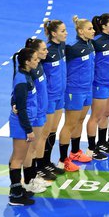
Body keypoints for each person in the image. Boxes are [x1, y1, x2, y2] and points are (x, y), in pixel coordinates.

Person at [57, 16, 95, 172]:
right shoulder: (72, 48)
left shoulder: (90, 45)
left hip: (87, 89)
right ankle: (62, 160)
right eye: (90, 29)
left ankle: (75, 152)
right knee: (69, 125)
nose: (93, 31)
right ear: (80, 31)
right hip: (74, 91)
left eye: (93, 28)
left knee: (79, 121)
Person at [8, 47, 39, 206]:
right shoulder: (22, 80)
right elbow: (20, 108)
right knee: (18, 158)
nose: (37, 61)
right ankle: (15, 195)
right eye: (35, 59)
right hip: (22, 124)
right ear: (27, 62)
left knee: (17, 157)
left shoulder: (26, 75)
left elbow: (15, 99)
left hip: (24, 121)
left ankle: (18, 189)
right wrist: (28, 130)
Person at [88, 13, 109, 160]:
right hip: (100, 85)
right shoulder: (96, 43)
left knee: (107, 114)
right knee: (96, 116)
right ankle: (91, 148)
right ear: (104, 26)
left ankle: (102, 142)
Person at [24, 38, 56, 185]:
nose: (47, 51)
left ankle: (34, 174)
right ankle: (29, 180)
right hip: (35, 114)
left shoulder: (40, 66)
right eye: (43, 49)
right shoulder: (29, 72)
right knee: (30, 148)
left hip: (42, 110)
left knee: (35, 146)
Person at [41, 19, 67, 175]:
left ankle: (47, 162)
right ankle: (39, 166)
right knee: (44, 133)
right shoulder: (47, 51)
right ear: (53, 33)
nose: (66, 33)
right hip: (49, 97)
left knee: (52, 131)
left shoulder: (62, 47)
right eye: (63, 31)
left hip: (60, 95)